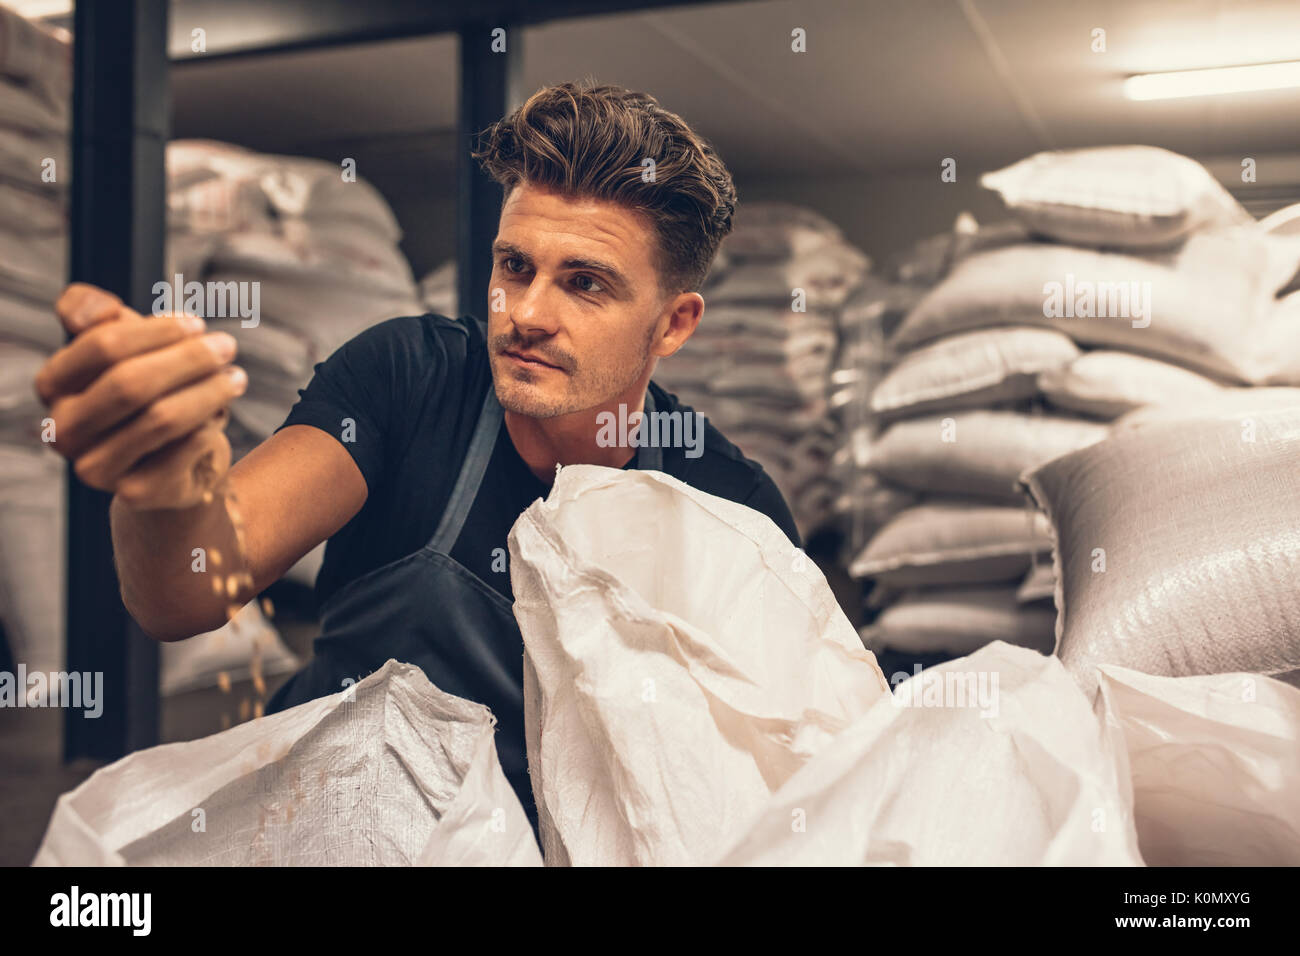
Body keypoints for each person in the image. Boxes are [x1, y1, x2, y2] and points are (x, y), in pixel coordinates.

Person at [36, 82, 802, 832]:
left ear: (673, 324)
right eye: (514, 267)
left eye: (584, 284)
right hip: (329, 825)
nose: (528, 314)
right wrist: (166, 487)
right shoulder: (411, 380)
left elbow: (778, 771)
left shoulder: (731, 507)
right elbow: (188, 592)